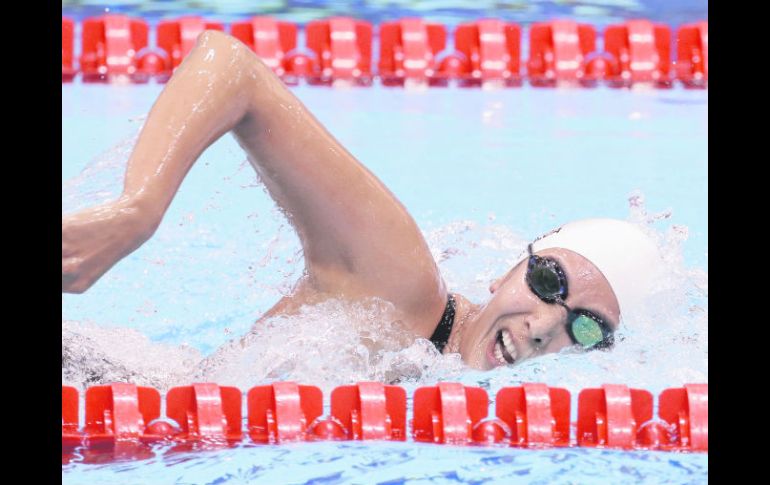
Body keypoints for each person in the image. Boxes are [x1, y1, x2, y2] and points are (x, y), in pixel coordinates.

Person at [62, 30, 663, 371]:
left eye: (585, 329)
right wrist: (138, 209)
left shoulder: (463, 401)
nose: (542, 327)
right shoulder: (401, 285)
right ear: (512, 266)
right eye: (550, 283)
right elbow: (232, 68)